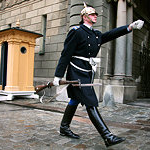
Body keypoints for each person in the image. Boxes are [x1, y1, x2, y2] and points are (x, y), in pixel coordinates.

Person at [53, 2, 144, 147]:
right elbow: (66, 54)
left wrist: (130, 27)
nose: (96, 16)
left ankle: (64, 127)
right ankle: (107, 136)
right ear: (84, 17)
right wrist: (58, 75)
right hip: (76, 71)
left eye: (96, 14)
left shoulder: (95, 34)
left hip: (87, 72)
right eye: (92, 14)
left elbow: (110, 34)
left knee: (75, 100)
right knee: (91, 102)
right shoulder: (76, 31)